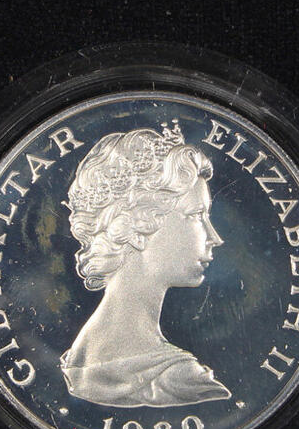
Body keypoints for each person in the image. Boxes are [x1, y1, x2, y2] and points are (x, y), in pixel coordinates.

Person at [58, 121, 233, 407]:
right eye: (195, 216)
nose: (215, 238)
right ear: (137, 226)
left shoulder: (80, 357)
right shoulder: (183, 379)